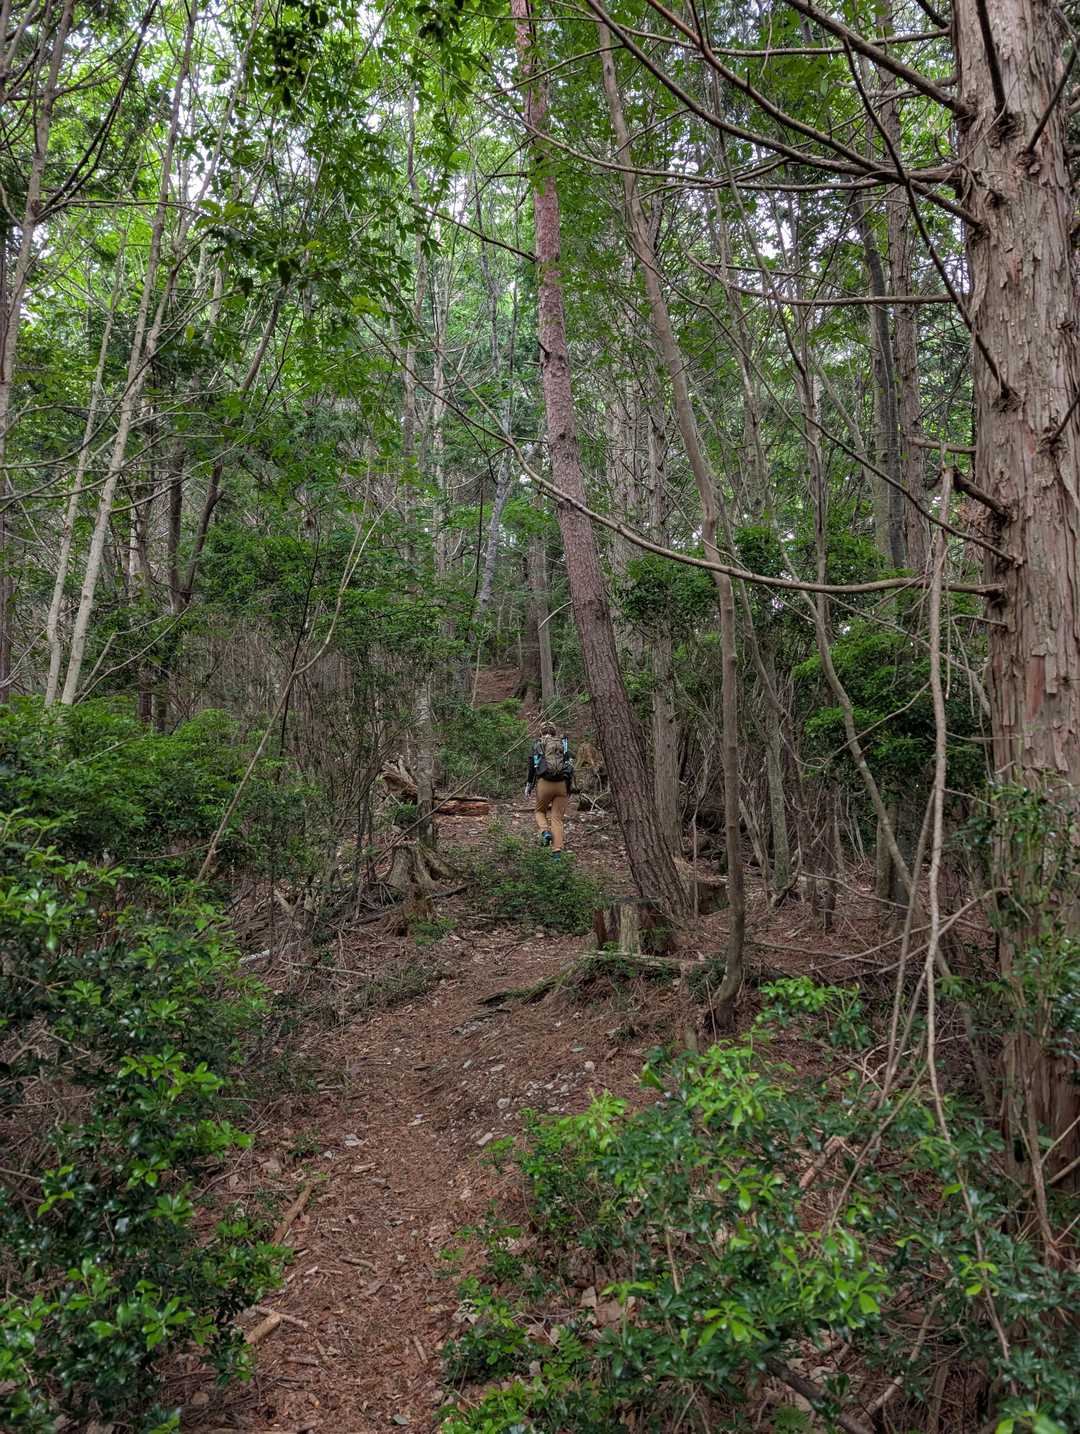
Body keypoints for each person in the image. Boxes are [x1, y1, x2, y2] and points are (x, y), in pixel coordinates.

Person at [525, 720, 574, 856]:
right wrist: (569, 789)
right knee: (557, 818)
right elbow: (570, 767)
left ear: (541, 732)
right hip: (562, 784)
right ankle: (557, 852)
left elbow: (532, 766)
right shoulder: (563, 745)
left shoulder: (538, 744)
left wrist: (529, 785)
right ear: (554, 732)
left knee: (539, 811)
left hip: (544, 783)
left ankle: (545, 832)